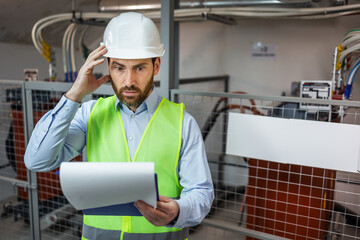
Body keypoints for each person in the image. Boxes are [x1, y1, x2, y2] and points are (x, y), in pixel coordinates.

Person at [24, 12, 214, 240]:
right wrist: (74, 94)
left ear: (156, 66)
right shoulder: (89, 114)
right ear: (107, 67)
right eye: (119, 68)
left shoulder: (183, 123)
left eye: (140, 68)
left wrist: (178, 211)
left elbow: (201, 193)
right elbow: (37, 160)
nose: (129, 81)